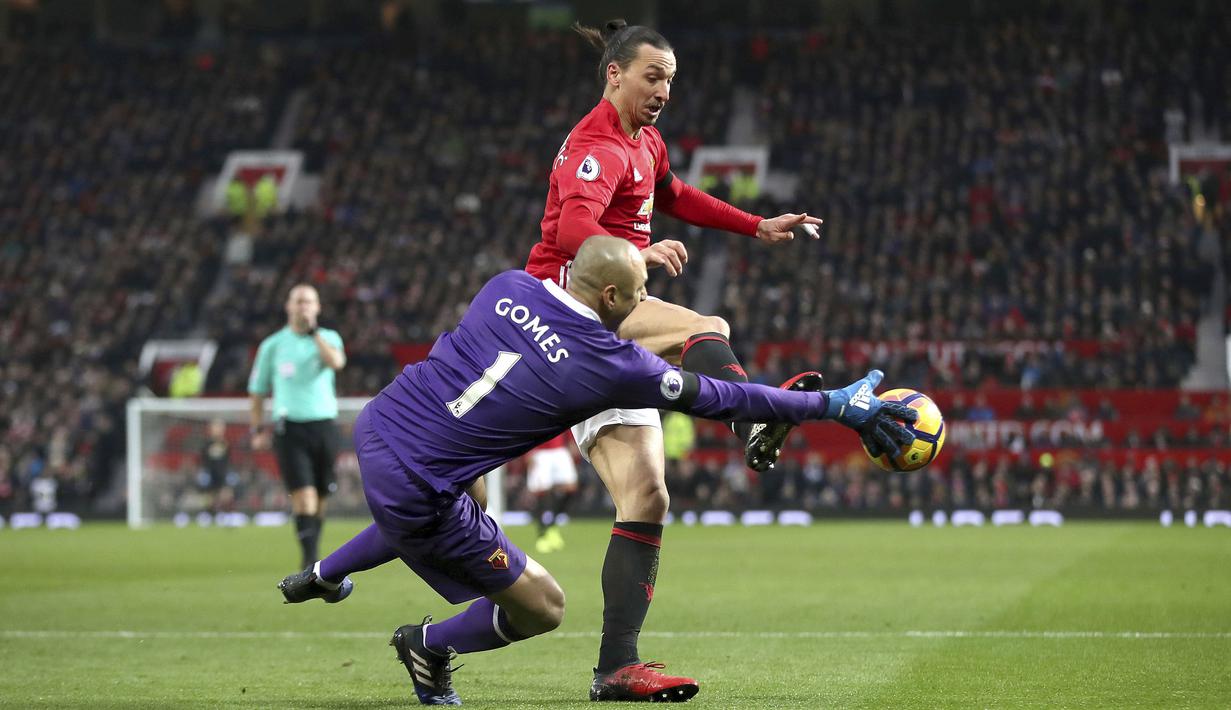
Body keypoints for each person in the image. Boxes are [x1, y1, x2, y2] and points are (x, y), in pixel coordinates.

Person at [277, 237, 915, 705]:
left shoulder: (505, 286)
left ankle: (323, 572)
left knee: (448, 502)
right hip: (419, 485)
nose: (644, 306)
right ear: (611, 296)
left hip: (383, 424)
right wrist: (833, 406)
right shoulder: (612, 365)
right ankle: (428, 642)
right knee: (543, 607)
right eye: (639, 296)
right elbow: (724, 397)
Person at [523, 20, 825, 687]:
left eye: (670, 79)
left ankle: (615, 668)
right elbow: (575, 225)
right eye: (651, 76)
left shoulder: (646, 143)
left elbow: (676, 196)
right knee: (701, 325)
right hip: (567, 312)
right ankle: (751, 421)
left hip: (603, 327)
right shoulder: (593, 145)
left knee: (647, 497)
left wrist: (755, 224)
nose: (662, 90)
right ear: (614, 74)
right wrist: (632, 255)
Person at [249, 284, 347, 569]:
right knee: (303, 496)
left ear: (317, 308)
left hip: (325, 425)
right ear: (288, 307)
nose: (303, 306)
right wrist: (256, 429)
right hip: (289, 428)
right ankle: (310, 559)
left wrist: (314, 332)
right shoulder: (272, 345)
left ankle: (312, 555)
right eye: (299, 301)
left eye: (309, 302)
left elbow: (337, 362)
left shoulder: (328, 337)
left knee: (321, 495)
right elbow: (257, 390)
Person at [525, 432, 579, 554]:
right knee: (541, 492)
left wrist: (571, 441)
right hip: (539, 451)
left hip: (559, 450)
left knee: (570, 488)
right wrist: (528, 451)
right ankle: (542, 535)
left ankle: (551, 525)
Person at [196, 418, 237, 516]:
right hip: (210, 472)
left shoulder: (226, 443)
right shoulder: (207, 443)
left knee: (229, 488)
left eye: (221, 427)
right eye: (217, 427)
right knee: (207, 492)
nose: (219, 430)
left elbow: (228, 460)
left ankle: (227, 514)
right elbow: (203, 459)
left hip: (223, 472)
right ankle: (209, 514)